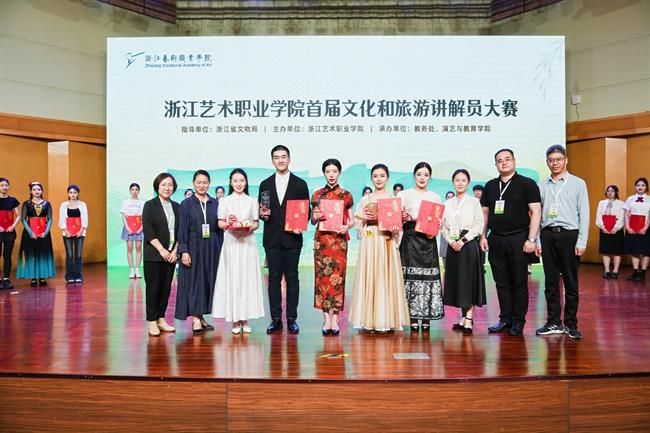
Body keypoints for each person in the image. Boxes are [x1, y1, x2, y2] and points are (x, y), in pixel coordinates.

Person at [480, 149, 541, 337]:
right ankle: (505, 318)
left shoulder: (527, 184)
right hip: (496, 238)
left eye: (507, 159)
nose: (504, 163)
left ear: (514, 161)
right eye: (500, 160)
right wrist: (483, 236)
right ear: (496, 165)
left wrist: (531, 239)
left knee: (519, 282)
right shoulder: (490, 186)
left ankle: (518, 321)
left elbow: (536, 212)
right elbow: (485, 214)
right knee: (501, 282)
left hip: (519, 238)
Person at [535, 145, 589, 340]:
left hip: (569, 235)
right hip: (547, 235)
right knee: (550, 282)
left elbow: (584, 213)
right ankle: (553, 322)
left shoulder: (578, 183)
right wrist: (538, 240)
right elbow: (537, 215)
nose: (555, 163)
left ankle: (571, 324)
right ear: (547, 162)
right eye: (551, 160)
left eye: (558, 159)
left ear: (566, 160)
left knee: (570, 282)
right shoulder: (542, 185)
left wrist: (582, 241)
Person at [350, 163, 409, 333]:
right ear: (371, 178)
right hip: (370, 241)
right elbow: (357, 224)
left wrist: (398, 225)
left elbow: (398, 226)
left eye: (382, 176)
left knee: (386, 277)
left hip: (387, 240)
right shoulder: (365, 199)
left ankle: (386, 320)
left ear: (387, 178)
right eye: (375, 176)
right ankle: (369, 321)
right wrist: (364, 219)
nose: (378, 179)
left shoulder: (393, 200)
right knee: (370, 277)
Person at [258, 145, 310, 334]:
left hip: (292, 238)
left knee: (292, 278)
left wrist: (300, 224)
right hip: (272, 238)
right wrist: (262, 214)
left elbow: (306, 211)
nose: (280, 160)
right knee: (273, 279)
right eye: (276, 157)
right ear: (272, 160)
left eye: (283, 157)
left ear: (289, 159)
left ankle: (292, 318)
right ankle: (275, 319)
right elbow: (262, 209)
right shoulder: (265, 184)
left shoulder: (300, 184)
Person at [213, 169, 264, 334]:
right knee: (233, 278)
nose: (239, 184)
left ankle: (245, 319)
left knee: (246, 279)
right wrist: (229, 223)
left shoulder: (252, 201)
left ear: (246, 182)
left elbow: (256, 223)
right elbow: (220, 223)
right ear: (230, 182)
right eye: (235, 181)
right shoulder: (225, 201)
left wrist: (249, 227)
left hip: (247, 243)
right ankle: (235, 320)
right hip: (231, 243)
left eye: (241, 180)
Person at [175, 170, 223, 335]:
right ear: (193, 183)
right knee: (194, 282)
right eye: (199, 182)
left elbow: (219, 229)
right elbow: (181, 230)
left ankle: (201, 317)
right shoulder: (186, 204)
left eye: (205, 182)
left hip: (212, 246)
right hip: (194, 246)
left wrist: (221, 249)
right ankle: (195, 319)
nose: (202, 185)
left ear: (209, 184)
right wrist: (184, 251)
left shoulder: (215, 203)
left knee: (207, 282)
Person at [397, 162, 444, 332]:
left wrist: (437, 225)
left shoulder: (435, 197)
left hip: (428, 239)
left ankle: (426, 317)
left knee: (427, 277)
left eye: (426, 175)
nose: (422, 178)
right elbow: (396, 218)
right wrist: (402, 217)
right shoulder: (403, 194)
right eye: (419, 174)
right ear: (414, 176)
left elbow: (439, 219)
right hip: (410, 238)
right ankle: (411, 316)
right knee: (410, 277)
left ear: (430, 177)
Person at [311, 159, 354, 336]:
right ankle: (326, 319)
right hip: (322, 241)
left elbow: (352, 220)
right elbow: (313, 221)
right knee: (322, 279)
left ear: (339, 173)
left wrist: (347, 226)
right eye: (328, 171)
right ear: (324, 173)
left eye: (334, 171)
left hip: (338, 241)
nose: (331, 175)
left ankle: (335, 318)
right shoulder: (317, 195)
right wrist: (315, 215)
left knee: (338, 278)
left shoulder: (346, 195)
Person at [442, 169, 486, 334]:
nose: (460, 183)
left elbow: (479, 224)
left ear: (468, 183)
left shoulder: (474, 202)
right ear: (453, 182)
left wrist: (463, 240)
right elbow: (442, 226)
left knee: (468, 281)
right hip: (453, 244)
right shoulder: (448, 203)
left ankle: (469, 318)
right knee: (458, 282)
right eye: (457, 180)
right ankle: (463, 317)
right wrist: (451, 241)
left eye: (463, 180)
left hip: (468, 244)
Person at [142, 173, 180, 336]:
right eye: (163, 184)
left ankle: (161, 319)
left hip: (171, 255)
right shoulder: (149, 205)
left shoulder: (177, 206)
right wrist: (162, 250)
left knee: (165, 288)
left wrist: (175, 251)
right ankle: (152, 321)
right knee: (153, 288)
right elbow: (148, 230)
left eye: (170, 185)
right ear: (157, 186)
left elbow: (181, 231)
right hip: (154, 254)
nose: (167, 188)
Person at [17, 181, 55, 286]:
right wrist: (30, 232)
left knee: (42, 253)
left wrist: (46, 232)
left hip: (43, 234)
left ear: (42, 191)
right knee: (31, 254)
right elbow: (23, 219)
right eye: (34, 189)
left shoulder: (47, 204)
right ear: (30, 191)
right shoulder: (26, 204)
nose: (36, 191)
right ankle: (33, 278)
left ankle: (42, 277)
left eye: (39, 189)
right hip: (30, 234)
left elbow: (50, 219)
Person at [58, 184, 88, 284]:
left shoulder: (82, 204)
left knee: (78, 255)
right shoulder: (64, 205)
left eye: (75, 192)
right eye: (71, 192)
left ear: (78, 193)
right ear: (68, 193)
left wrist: (81, 230)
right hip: (67, 233)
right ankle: (69, 276)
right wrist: (66, 230)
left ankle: (78, 275)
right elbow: (62, 219)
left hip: (80, 233)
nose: (73, 194)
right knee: (70, 255)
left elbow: (85, 218)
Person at [623, 177, 650, 281]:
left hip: (646, 228)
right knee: (634, 250)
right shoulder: (630, 199)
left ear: (646, 187)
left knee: (646, 251)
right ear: (635, 187)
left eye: (643, 185)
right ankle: (635, 271)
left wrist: (645, 228)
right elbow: (626, 214)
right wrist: (628, 227)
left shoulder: (649, 199)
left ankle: (642, 272)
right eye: (638, 185)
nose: (640, 187)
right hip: (632, 228)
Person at [595, 185, 625, 278]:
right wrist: (603, 227)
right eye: (608, 191)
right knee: (606, 251)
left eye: (612, 191)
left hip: (617, 230)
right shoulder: (602, 203)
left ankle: (615, 271)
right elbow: (598, 216)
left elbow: (622, 217)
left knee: (617, 251)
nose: (610, 193)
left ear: (616, 192)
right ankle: (607, 270)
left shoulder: (621, 203)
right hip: (604, 229)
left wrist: (615, 228)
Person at [121, 183, 144, 278]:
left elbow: (144, 217)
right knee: (129, 248)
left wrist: (141, 228)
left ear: (139, 191)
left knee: (138, 248)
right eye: (132, 189)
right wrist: (127, 228)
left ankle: (137, 269)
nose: (134, 191)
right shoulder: (126, 202)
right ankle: (131, 269)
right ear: (130, 191)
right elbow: (123, 216)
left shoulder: (142, 203)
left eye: (136, 189)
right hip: (129, 227)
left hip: (139, 227)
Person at [0, 178, 20, 289]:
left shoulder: (13, 200)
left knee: (7, 256)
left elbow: (18, 215)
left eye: (6, 185)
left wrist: (13, 226)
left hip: (9, 232)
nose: (4, 187)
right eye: (2, 185)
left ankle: (6, 279)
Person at [439, 191, 455, 267]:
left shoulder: (459, 209)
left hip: (455, 235)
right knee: (446, 264)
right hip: (445, 236)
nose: (450, 199)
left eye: (452, 197)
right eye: (448, 197)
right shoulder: (442, 209)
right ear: (446, 198)